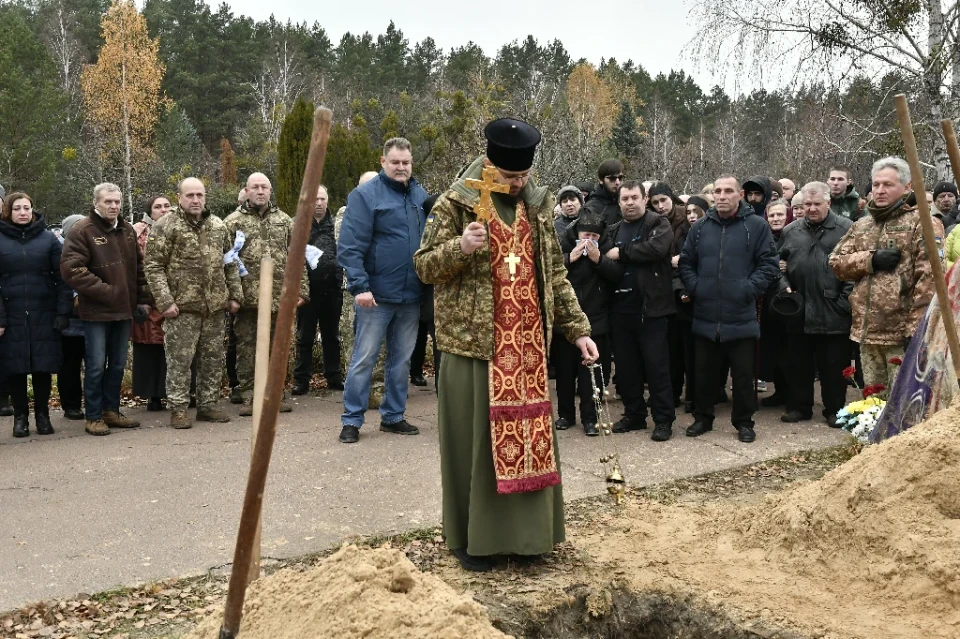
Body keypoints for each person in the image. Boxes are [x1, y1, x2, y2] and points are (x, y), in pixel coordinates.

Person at [414, 117, 596, 572]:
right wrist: (461, 247)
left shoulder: (536, 206)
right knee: (475, 446)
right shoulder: (455, 203)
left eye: (523, 177)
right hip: (476, 347)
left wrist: (579, 329)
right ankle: (473, 540)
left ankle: (530, 538)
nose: (517, 184)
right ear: (489, 165)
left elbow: (553, 273)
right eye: (510, 177)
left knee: (530, 440)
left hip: (529, 348)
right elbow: (423, 268)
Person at [337, 138, 429, 444]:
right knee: (364, 358)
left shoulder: (419, 195)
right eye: (395, 162)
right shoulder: (365, 195)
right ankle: (352, 420)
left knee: (401, 361)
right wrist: (360, 286)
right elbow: (350, 246)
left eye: (406, 163)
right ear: (383, 162)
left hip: (411, 295)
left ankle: (393, 416)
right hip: (375, 296)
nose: (401, 168)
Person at [679, 175, 780, 443]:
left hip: (741, 315)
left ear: (740, 195)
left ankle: (744, 422)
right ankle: (703, 418)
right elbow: (686, 262)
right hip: (705, 314)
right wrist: (696, 287)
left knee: (744, 376)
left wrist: (748, 289)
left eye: (728, 191)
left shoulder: (756, 226)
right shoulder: (700, 227)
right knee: (704, 373)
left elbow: (769, 264)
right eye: (718, 191)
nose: (722, 196)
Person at [830, 156, 944, 390]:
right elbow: (835, 262)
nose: (880, 190)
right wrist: (870, 259)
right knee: (873, 403)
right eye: (876, 184)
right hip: (867, 332)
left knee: (904, 404)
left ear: (907, 187)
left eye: (888, 185)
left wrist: (917, 329)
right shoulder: (863, 225)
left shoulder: (922, 223)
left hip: (902, 335)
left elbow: (930, 280)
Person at [145, 178, 242, 429]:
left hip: (214, 308)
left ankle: (208, 405)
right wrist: (165, 302)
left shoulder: (218, 226)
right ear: (179, 198)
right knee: (180, 362)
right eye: (190, 195)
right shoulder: (166, 226)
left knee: (211, 360)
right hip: (182, 308)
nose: (195, 200)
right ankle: (178, 408)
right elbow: (153, 266)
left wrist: (234, 295)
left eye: (200, 194)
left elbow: (230, 263)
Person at [61, 183, 149, 436]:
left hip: (124, 311)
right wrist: (107, 292)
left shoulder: (127, 231)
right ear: (96, 203)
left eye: (117, 202)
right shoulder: (82, 231)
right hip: (97, 312)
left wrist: (143, 300)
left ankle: (111, 410)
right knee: (96, 364)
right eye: (108, 202)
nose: (113, 206)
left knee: (119, 364)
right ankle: (94, 416)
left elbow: (139, 270)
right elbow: (72, 270)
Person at [224, 172, 309, 417]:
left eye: (265, 187)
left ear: (270, 191)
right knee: (247, 349)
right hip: (247, 299)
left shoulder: (284, 221)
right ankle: (250, 395)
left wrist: (301, 290)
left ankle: (275, 394)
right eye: (255, 187)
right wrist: (232, 295)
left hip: (278, 298)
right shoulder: (232, 222)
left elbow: (298, 255)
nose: (260, 191)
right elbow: (226, 261)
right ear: (246, 191)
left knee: (278, 348)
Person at [778, 182, 853, 426]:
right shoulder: (791, 231)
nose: (811, 209)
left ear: (828, 203)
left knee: (833, 366)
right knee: (798, 364)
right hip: (799, 308)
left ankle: (834, 409)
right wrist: (784, 286)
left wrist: (843, 303)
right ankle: (800, 407)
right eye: (806, 204)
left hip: (832, 309)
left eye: (816, 204)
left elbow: (855, 271)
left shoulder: (846, 229)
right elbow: (778, 265)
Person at [607, 181, 677, 441]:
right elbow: (605, 259)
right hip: (620, 311)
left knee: (657, 369)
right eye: (624, 198)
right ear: (619, 202)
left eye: (634, 197)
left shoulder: (658, 224)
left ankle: (663, 420)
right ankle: (634, 414)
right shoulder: (613, 229)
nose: (630, 202)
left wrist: (622, 253)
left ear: (644, 198)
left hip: (652, 310)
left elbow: (657, 249)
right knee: (626, 370)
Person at [0, 193, 72, 437]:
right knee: (16, 368)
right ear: (8, 211)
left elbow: (62, 279)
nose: (23, 212)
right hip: (11, 315)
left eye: (27, 208)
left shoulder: (48, 240)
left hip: (44, 313)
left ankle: (42, 415)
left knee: (43, 366)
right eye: (17, 208)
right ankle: (20, 418)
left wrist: (63, 312)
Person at [555, 211, 617, 436]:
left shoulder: (606, 249)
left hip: (596, 320)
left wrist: (599, 260)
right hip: (564, 322)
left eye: (594, 236)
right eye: (585, 234)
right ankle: (565, 415)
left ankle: (591, 419)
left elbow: (617, 275)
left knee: (591, 375)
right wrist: (568, 259)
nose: (589, 240)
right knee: (564, 373)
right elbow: (549, 272)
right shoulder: (563, 245)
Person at [336, 171, 386, 406]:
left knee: (381, 342)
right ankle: (356, 390)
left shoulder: (387, 210)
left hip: (381, 288)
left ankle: (377, 389)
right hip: (355, 289)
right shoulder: (346, 213)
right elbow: (349, 249)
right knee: (356, 341)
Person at [293, 185, 344, 395]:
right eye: (315, 200)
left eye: (322, 199)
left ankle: (333, 376)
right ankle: (301, 380)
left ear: (327, 200)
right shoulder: (299, 226)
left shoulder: (337, 225)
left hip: (333, 290)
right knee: (305, 337)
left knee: (332, 336)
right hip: (309, 292)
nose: (319, 204)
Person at [131, 195, 172, 411]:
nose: (163, 210)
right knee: (149, 347)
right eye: (158, 207)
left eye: (167, 206)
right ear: (150, 211)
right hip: (147, 297)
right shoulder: (138, 233)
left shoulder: (179, 227)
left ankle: (180, 392)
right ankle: (152, 395)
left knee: (176, 348)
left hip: (175, 297)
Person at [673, 197, 708, 413]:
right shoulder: (680, 236)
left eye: (697, 211)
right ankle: (688, 397)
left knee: (702, 357)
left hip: (706, 300)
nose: (692, 216)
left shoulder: (712, 234)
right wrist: (682, 290)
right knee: (685, 354)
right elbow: (675, 268)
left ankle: (700, 396)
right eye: (688, 212)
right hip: (684, 304)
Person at [757, 199, 791, 409]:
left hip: (790, 299)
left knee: (791, 352)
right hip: (767, 302)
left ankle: (792, 394)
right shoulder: (763, 237)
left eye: (780, 214)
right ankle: (779, 391)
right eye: (772, 215)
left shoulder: (794, 234)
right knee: (774, 350)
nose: (776, 219)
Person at [409, 196, 442, 391]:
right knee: (422, 339)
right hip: (427, 295)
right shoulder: (427, 230)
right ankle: (416, 372)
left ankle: (417, 373)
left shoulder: (423, 228)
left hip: (426, 296)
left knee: (426, 339)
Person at [57, 214, 87, 421]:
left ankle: (99, 403)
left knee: (96, 364)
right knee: (69, 364)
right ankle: (71, 405)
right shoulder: (58, 252)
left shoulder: (93, 248)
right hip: (69, 319)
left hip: (94, 317)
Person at [582, 159, 625, 226]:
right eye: (612, 179)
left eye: (620, 178)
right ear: (601, 180)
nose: (617, 182)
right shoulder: (591, 209)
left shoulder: (628, 202)